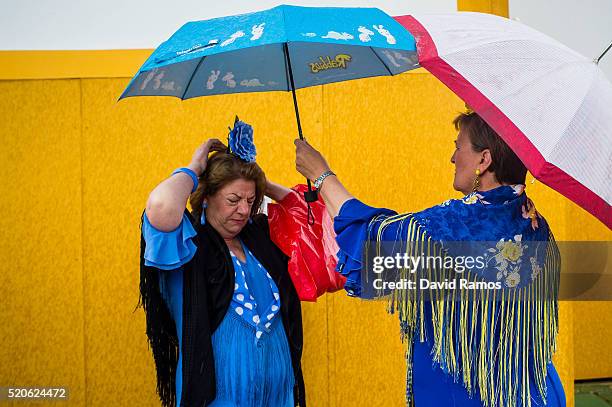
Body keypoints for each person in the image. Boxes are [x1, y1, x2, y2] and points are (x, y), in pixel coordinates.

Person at [294, 111, 566, 407]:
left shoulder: (457, 226)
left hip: (474, 396)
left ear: (483, 160)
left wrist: (321, 175)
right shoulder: (535, 223)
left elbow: (375, 240)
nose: (452, 157)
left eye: (458, 146)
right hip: (535, 392)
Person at [139, 121, 305, 407]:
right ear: (206, 198)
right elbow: (161, 206)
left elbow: (307, 214)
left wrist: (260, 181)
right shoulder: (188, 247)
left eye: (251, 200)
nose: (243, 210)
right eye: (233, 199)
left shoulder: (262, 240)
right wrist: (195, 167)